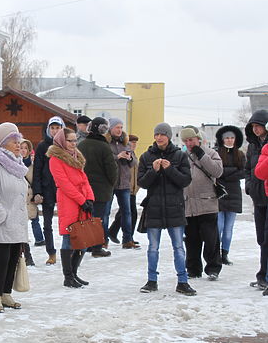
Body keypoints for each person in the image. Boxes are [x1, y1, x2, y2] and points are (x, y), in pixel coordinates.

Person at [137, 122, 195, 295]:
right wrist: (153, 171)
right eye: (157, 134)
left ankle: (182, 282)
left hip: (175, 208)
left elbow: (185, 181)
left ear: (169, 136)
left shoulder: (180, 156)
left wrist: (169, 169)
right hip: (154, 208)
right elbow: (142, 182)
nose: (159, 137)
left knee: (178, 246)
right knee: (153, 247)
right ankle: (151, 281)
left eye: (162, 134)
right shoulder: (146, 156)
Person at [0, 122, 28, 312]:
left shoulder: (17, 165)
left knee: (13, 258)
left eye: (19, 140)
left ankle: (6, 293)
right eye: (13, 141)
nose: (18, 145)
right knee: (2, 258)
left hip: (16, 221)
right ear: (2, 143)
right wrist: (2, 216)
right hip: (2, 221)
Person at [47, 127, 95, 288]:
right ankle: (68, 277)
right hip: (68, 201)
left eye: (75, 140)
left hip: (81, 200)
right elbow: (64, 183)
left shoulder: (77, 156)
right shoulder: (55, 159)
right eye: (70, 140)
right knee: (69, 237)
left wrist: (89, 198)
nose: (74, 143)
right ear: (62, 141)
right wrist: (82, 200)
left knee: (84, 238)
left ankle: (74, 273)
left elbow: (85, 179)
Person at [180, 125, 223, 280]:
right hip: (188, 205)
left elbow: (217, 171)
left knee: (211, 239)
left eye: (191, 140)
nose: (189, 143)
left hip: (207, 203)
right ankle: (193, 269)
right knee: (191, 240)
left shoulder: (211, 153)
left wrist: (202, 155)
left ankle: (213, 268)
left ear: (198, 139)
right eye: (185, 141)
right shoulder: (182, 156)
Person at [77, 117, 117, 257]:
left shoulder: (81, 145)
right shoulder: (104, 146)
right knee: (98, 219)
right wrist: (112, 183)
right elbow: (111, 169)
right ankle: (97, 248)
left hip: (83, 189)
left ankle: (88, 245)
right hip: (101, 189)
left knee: (88, 218)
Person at [32, 116, 65, 264]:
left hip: (64, 189)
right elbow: (37, 170)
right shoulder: (42, 146)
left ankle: (68, 249)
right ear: (48, 129)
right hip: (47, 189)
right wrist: (37, 191)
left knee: (68, 222)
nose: (55, 131)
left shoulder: (67, 145)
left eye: (58, 128)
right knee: (47, 223)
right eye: (52, 128)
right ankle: (51, 252)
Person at [104, 118, 139, 250]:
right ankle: (103, 240)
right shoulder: (106, 143)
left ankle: (127, 240)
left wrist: (129, 157)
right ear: (110, 128)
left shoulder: (126, 143)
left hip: (124, 183)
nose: (119, 130)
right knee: (105, 213)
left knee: (127, 212)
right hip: (110, 182)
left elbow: (134, 162)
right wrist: (117, 156)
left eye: (121, 127)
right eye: (117, 127)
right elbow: (104, 160)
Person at [215, 125, 246, 266]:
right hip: (220, 194)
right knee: (219, 227)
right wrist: (232, 172)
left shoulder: (240, 155)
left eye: (232, 137)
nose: (229, 140)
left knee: (228, 229)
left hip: (234, 195)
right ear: (222, 139)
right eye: (227, 137)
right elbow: (216, 172)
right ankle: (215, 253)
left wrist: (226, 173)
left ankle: (225, 253)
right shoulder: (216, 154)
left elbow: (243, 172)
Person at [244, 109, 268, 289]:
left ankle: (264, 275)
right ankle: (262, 273)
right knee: (261, 238)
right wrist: (249, 185)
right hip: (257, 196)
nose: (256, 129)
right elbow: (248, 168)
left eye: (258, 126)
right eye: (253, 126)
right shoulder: (252, 146)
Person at [21, 139, 43, 265]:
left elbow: (36, 181)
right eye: (21, 147)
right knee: (22, 224)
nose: (23, 150)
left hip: (31, 198)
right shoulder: (15, 165)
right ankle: (25, 248)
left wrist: (37, 194)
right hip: (20, 200)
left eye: (26, 148)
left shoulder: (33, 166)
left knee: (35, 219)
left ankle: (39, 239)